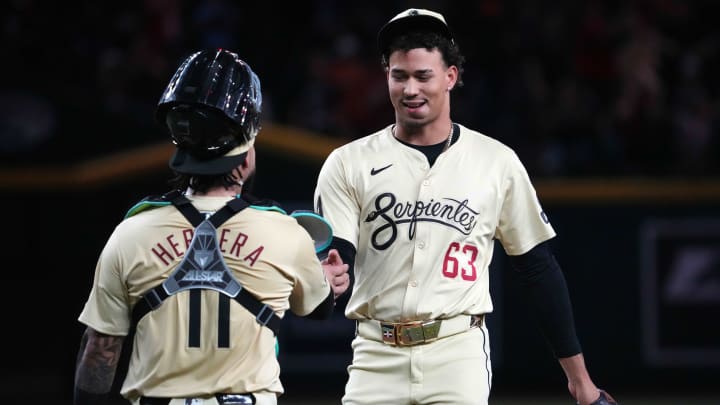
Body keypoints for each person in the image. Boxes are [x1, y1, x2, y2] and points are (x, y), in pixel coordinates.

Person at [313, 8, 618, 405]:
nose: (410, 89)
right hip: (375, 354)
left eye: (423, 76)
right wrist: (330, 271)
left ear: (450, 77)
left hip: (456, 353)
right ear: (386, 75)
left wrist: (580, 382)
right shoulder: (347, 162)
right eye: (399, 75)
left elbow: (537, 267)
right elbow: (339, 250)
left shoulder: (495, 161)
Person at [74, 49, 350, 405]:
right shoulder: (285, 233)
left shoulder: (131, 233)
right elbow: (318, 307)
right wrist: (328, 280)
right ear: (247, 153)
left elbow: (100, 349)